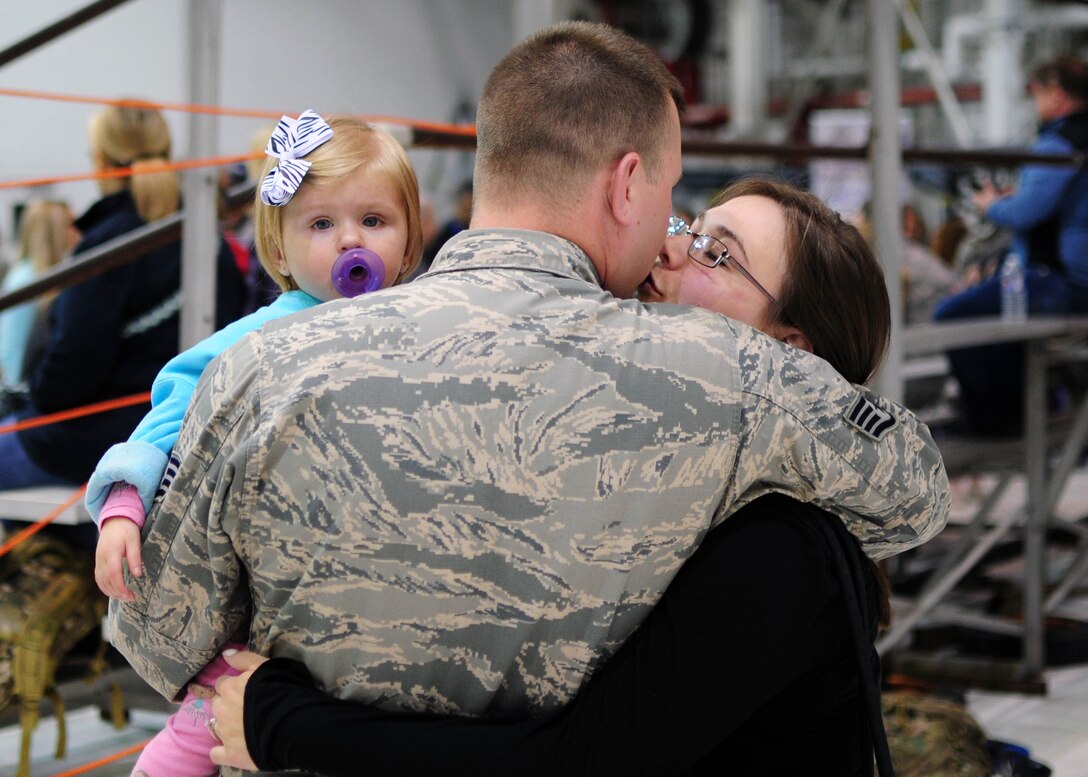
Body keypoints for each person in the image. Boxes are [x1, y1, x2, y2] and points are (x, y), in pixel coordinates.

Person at [109, 21, 947, 775]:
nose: (670, 240)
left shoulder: (262, 362)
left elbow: (157, 635)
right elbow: (913, 491)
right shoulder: (733, 381)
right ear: (627, 186)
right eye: (673, 197)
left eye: (712, 247)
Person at [205, 176, 904, 775]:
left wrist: (283, 724)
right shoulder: (665, 475)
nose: (666, 248)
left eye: (715, 254)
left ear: (790, 357)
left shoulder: (784, 544)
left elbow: (575, 762)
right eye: (688, 226)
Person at [88, 110, 423, 777]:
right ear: (279, 250)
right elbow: (173, 405)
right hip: (266, 588)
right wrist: (124, 502)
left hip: (368, 589)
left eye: (374, 221)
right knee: (209, 719)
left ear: (410, 243)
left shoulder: (419, 331)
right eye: (321, 224)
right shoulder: (258, 338)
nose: (349, 240)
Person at [0, 104, 246, 549]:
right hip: (183, 439)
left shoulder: (112, 241)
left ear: (100, 162)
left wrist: (34, 396)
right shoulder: (207, 240)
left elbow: (73, 364)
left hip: (94, 441)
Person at [935, 55, 1088, 435]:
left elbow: (1024, 213)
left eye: (1037, 93)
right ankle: (1022, 412)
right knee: (994, 316)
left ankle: (996, 422)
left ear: (1055, 92)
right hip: (1069, 279)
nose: (1035, 103)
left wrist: (993, 204)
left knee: (951, 317)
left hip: (1058, 282)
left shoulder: (1060, 144)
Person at [0, 200, 77, 385]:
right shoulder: (28, 280)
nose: (78, 231)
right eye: (71, 225)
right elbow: (11, 354)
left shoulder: (28, 274)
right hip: (19, 392)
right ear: (55, 232)